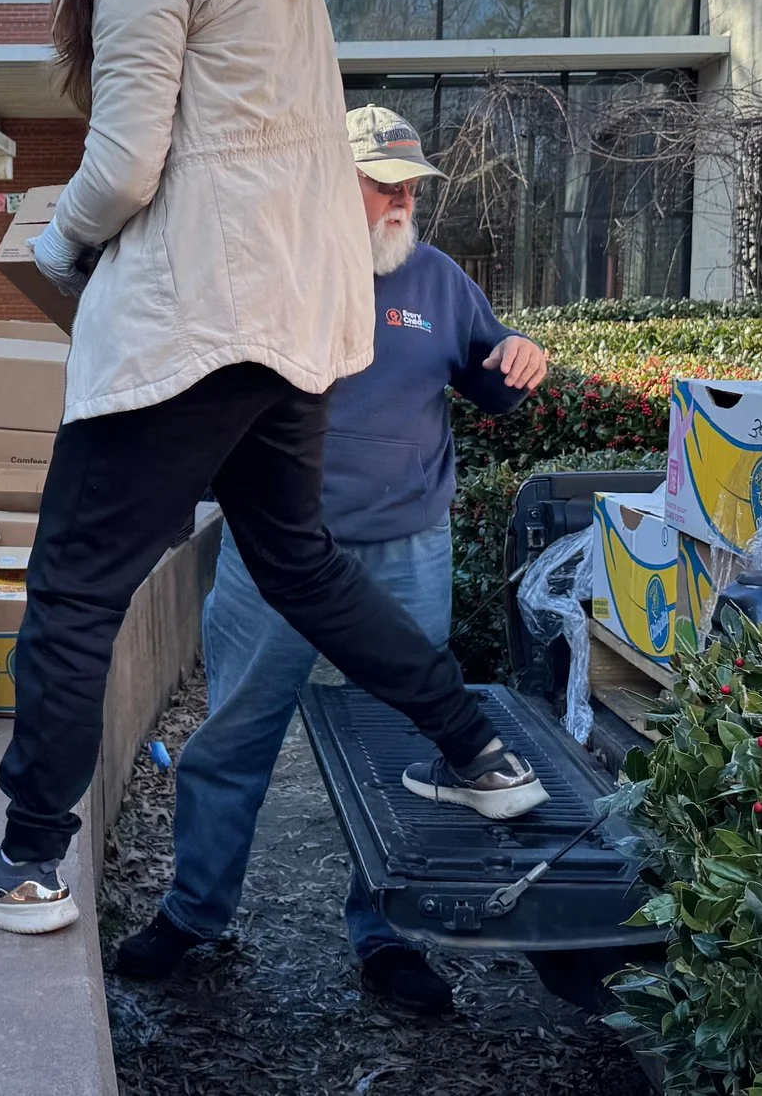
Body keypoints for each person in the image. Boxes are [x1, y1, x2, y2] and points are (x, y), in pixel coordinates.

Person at [0, 0, 550, 936]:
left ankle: (31, 859)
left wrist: (62, 236)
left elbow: (129, 157)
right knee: (299, 560)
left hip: (192, 317)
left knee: (75, 584)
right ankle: (479, 750)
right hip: (296, 322)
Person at [112, 106, 550, 1011]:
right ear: (328, 183)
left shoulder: (437, 281)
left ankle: (390, 935)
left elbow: (484, 380)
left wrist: (514, 359)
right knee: (234, 733)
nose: (399, 201)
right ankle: (195, 914)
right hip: (275, 554)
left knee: (403, 743)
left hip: (405, 554)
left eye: (409, 187)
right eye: (380, 182)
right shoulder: (272, 270)